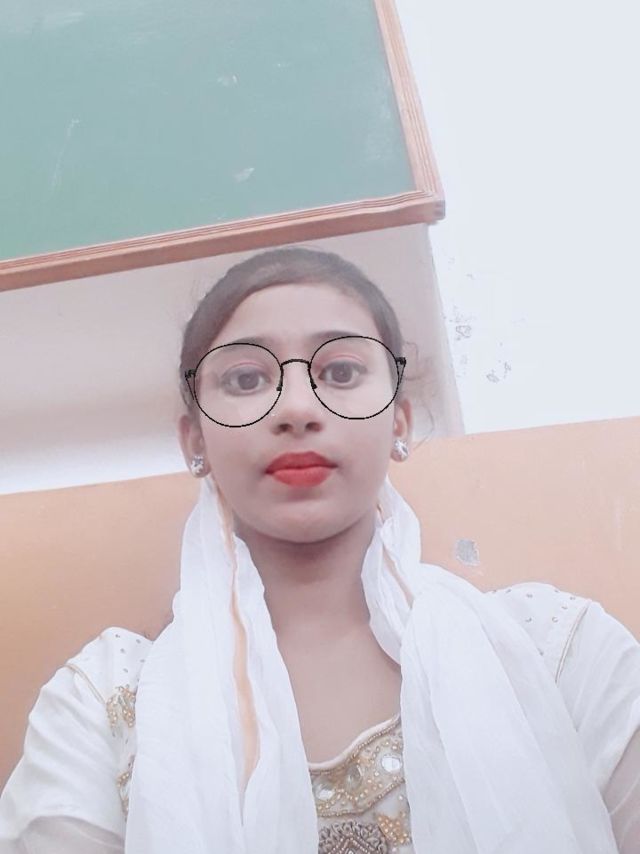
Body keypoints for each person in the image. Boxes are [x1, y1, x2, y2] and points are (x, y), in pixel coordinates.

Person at [0, 247, 638, 854]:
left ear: (399, 419)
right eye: (246, 379)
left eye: (341, 372)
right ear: (194, 439)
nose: (297, 408)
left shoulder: (558, 653)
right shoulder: (101, 706)